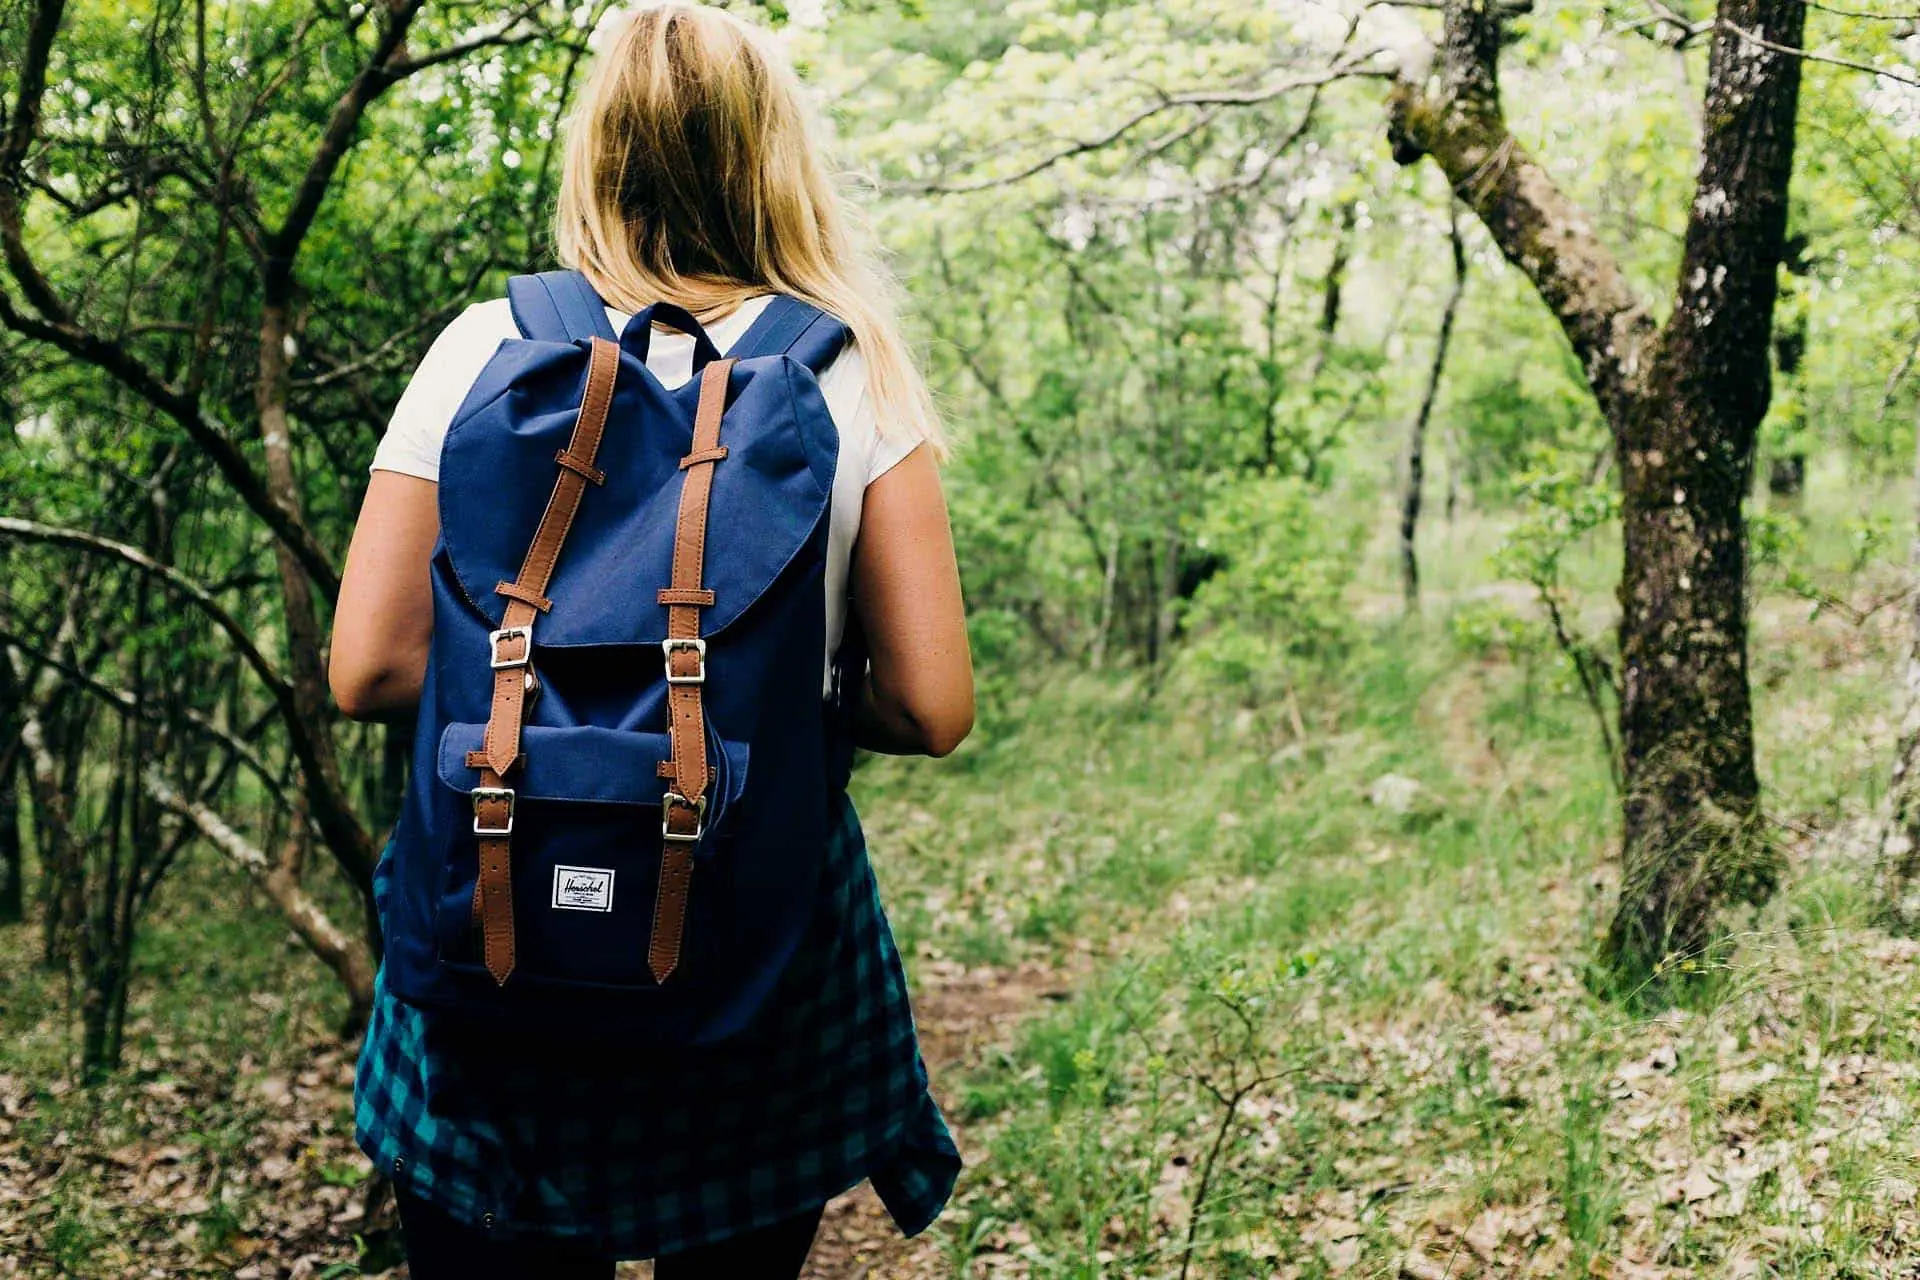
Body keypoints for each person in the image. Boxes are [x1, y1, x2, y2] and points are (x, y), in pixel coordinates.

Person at [328, 5, 973, 1276]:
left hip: (498, 945)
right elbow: (932, 704)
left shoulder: (483, 348)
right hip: (751, 957)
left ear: (599, 152)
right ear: (772, 155)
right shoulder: (851, 373)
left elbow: (370, 667)